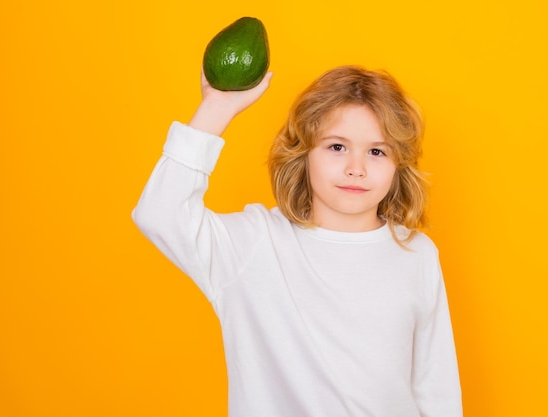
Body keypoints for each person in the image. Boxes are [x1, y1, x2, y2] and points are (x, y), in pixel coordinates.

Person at [132, 65, 463, 417]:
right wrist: (217, 108)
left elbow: (435, 388)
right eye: (337, 146)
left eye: (377, 152)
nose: (356, 168)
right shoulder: (254, 244)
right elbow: (160, 213)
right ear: (303, 154)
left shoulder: (416, 253)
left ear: (399, 164)